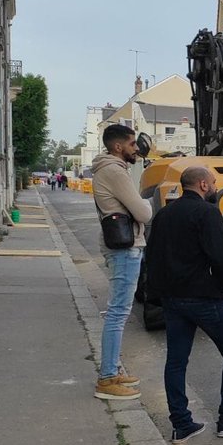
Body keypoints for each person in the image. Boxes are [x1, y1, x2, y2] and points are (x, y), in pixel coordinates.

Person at [144, 166, 223, 444]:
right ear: (203, 184)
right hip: (206, 297)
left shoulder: (164, 214)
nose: (215, 185)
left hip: (173, 298)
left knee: (176, 360)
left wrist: (160, 294)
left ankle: (182, 423)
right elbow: (221, 256)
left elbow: (152, 256)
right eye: (213, 181)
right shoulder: (207, 213)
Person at [91, 124, 153, 400]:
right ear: (118, 147)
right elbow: (143, 212)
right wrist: (149, 206)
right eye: (131, 144)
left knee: (119, 312)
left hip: (120, 246)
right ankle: (107, 378)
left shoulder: (109, 169)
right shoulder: (115, 171)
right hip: (125, 249)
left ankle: (113, 370)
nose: (136, 149)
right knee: (117, 313)